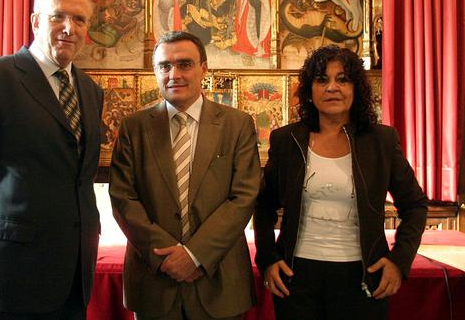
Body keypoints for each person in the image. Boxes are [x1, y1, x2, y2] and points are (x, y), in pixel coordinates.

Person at [0, 0, 104, 320]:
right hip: (9, 270)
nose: (69, 28)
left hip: (73, 272)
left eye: (79, 19)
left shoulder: (90, 91)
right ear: (36, 21)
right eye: (58, 16)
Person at [254, 45, 428, 320]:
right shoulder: (286, 140)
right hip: (296, 277)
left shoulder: (381, 141)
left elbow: (415, 206)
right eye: (322, 80)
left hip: (363, 275)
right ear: (309, 90)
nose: (332, 87)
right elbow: (264, 206)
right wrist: (267, 259)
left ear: (356, 88)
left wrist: (399, 261)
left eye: (342, 79)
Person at [109, 31, 261, 320]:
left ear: (203, 68)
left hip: (219, 282)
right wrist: (166, 257)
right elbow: (123, 198)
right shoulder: (134, 127)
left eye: (184, 64)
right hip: (155, 281)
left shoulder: (237, 124)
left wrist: (194, 255)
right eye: (164, 66)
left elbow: (244, 197)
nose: (174, 74)